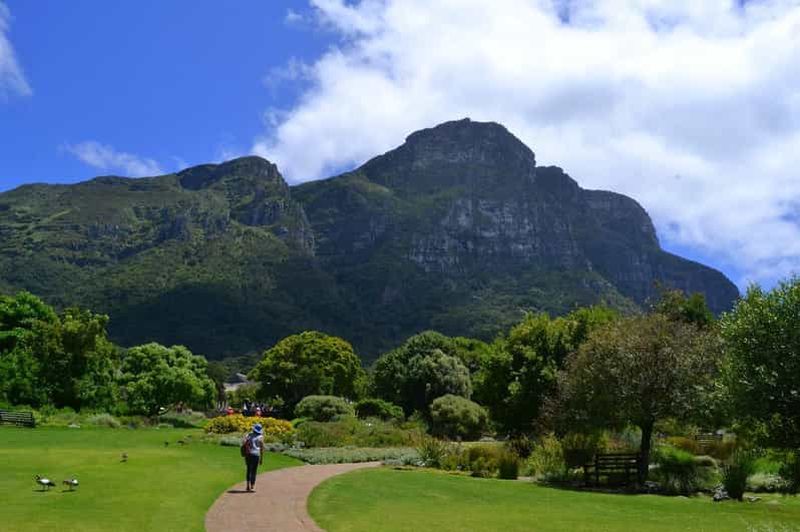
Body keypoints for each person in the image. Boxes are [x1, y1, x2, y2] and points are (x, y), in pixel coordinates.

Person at [242, 423, 265, 492]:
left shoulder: (248, 435)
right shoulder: (261, 437)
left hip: (248, 454)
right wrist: (261, 459)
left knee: (248, 469)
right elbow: (262, 448)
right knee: (254, 471)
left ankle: (247, 485)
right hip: (256, 455)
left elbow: (243, 442)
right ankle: (252, 485)